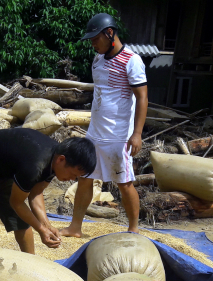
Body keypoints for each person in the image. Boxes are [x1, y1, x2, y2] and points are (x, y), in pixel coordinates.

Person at [60, 13, 147, 238]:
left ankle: (134, 230)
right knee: (85, 178)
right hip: (94, 134)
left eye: (95, 39)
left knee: (124, 182)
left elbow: (143, 98)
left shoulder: (132, 60)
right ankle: (75, 227)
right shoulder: (98, 59)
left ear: (110, 34)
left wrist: (137, 134)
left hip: (118, 137)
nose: (92, 43)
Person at [0, 129, 96, 253]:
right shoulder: (35, 165)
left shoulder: (55, 161)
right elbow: (16, 202)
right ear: (61, 159)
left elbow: (35, 193)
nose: (72, 180)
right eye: (73, 174)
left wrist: (47, 226)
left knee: (20, 220)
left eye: (77, 178)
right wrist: (41, 230)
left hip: (2, 171)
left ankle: (31, 264)